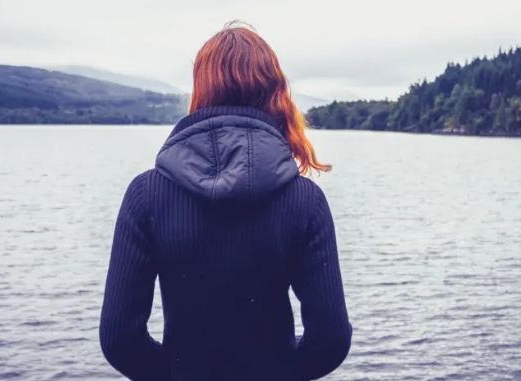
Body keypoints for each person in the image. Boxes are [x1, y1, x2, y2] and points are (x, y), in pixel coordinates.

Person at [99, 21, 352, 381]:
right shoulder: (305, 200)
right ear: (274, 93)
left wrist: (176, 374)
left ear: (201, 90)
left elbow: (119, 340)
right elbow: (330, 340)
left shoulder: (146, 196)